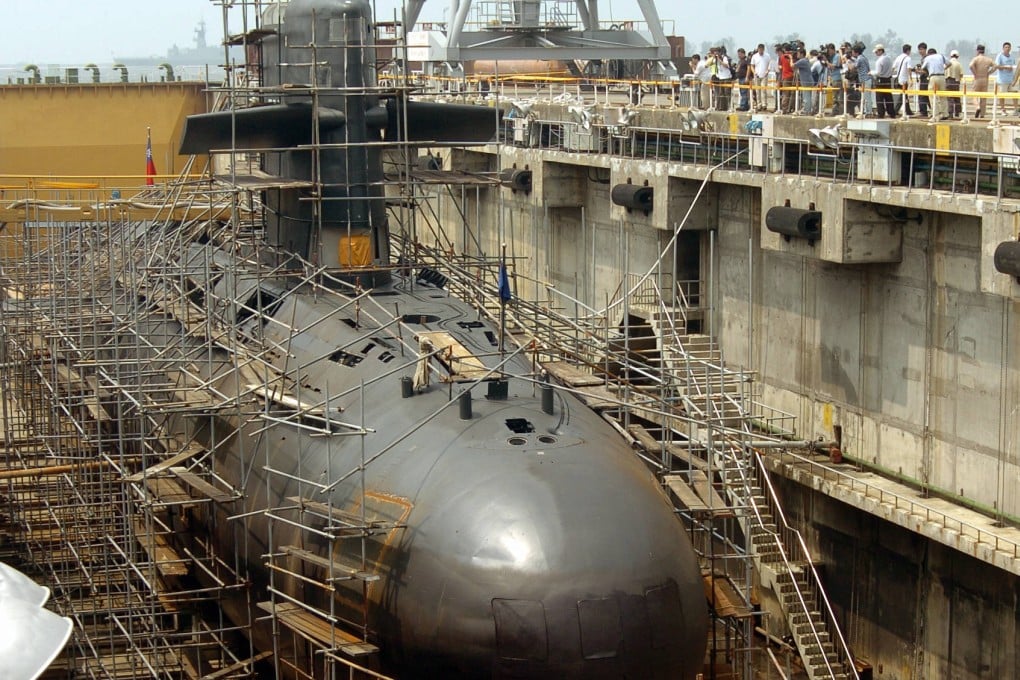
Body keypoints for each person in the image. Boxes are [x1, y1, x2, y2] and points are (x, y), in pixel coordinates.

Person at [922, 48, 947, 119]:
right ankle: (945, 114)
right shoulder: (941, 56)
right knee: (943, 96)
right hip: (942, 76)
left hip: (933, 77)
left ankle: (935, 114)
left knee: (932, 96)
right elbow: (949, 64)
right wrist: (943, 69)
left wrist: (929, 70)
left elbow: (923, 67)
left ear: (929, 53)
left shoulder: (928, 58)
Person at [970, 44, 994, 117]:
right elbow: (995, 66)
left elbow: (971, 66)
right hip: (985, 78)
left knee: (974, 96)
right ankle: (982, 114)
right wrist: (989, 72)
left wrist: (975, 73)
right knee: (983, 97)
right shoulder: (988, 59)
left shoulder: (976, 59)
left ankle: (977, 107)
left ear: (977, 51)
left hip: (977, 78)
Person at [872, 44, 895, 118]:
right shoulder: (889, 59)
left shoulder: (879, 61)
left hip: (880, 79)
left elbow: (878, 72)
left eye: (876, 52)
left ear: (880, 51)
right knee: (888, 97)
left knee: (879, 98)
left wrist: (871, 72)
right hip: (888, 79)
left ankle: (881, 113)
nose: (876, 53)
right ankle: (891, 113)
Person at [994, 42, 1017, 115]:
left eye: (1009, 47)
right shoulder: (1000, 56)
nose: (1007, 48)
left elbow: (1014, 66)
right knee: (1002, 95)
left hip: (1011, 79)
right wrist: (1005, 67)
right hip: (1002, 80)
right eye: (1006, 47)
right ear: (1003, 48)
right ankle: (1003, 110)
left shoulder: (1012, 57)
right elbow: (996, 66)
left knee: (1015, 93)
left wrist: (1011, 68)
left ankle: (1016, 109)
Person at [892, 44, 914, 116]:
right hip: (904, 80)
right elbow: (909, 69)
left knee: (904, 95)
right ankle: (895, 110)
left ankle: (908, 110)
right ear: (908, 51)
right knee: (903, 96)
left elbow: (893, 67)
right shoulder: (908, 58)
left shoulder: (898, 57)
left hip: (898, 79)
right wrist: (910, 79)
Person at [750, 43, 771, 111]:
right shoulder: (754, 56)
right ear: (758, 49)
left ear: (763, 49)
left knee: (764, 90)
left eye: (762, 50)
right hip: (757, 75)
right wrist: (754, 72)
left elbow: (769, 64)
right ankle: (759, 104)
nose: (761, 51)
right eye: (759, 49)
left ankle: (764, 104)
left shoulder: (767, 56)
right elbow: (752, 66)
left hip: (764, 75)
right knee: (757, 90)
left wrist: (767, 70)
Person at [946, 50, 964, 117]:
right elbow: (961, 74)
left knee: (949, 98)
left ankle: (950, 112)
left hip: (948, 81)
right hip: (956, 81)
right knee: (957, 97)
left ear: (950, 56)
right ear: (957, 56)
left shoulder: (947, 63)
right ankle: (957, 112)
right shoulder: (958, 64)